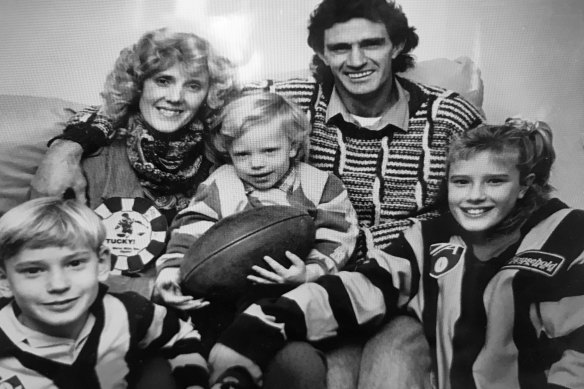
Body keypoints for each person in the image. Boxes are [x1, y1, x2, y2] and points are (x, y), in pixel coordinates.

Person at [31, 0, 484, 386]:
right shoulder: (284, 106)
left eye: (372, 44)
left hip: (389, 280)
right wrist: (66, 147)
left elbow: (498, 175)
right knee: (330, 376)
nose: (355, 60)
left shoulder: (448, 114)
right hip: (290, 295)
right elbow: (147, 103)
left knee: (384, 371)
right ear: (322, 55)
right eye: (339, 47)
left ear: (398, 46)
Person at [208, 118, 584, 389]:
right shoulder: (432, 235)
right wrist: (257, 327)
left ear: (524, 186)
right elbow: (360, 289)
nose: (474, 196)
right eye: (461, 182)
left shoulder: (568, 235)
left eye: (495, 181)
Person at [32, 28, 238, 297]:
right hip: (112, 309)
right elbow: (45, 262)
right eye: (163, 80)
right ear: (138, 86)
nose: (176, 97)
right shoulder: (89, 159)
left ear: (209, 95)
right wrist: (147, 290)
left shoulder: (222, 160)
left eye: (193, 85)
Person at [152, 92, 358, 358]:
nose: (256, 164)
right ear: (228, 153)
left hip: (291, 288)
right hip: (225, 290)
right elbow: (192, 226)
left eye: (269, 151)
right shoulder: (222, 181)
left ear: (293, 146)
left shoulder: (321, 185)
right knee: (197, 321)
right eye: (242, 154)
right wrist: (172, 269)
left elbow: (339, 236)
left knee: (285, 337)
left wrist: (309, 272)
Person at [0, 197, 209, 389]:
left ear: (101, 264)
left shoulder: (128, 313)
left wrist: (194, 383)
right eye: (33, 270)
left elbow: (181, 336)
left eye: (74, 263)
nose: (58, 284)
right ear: (4, 280)